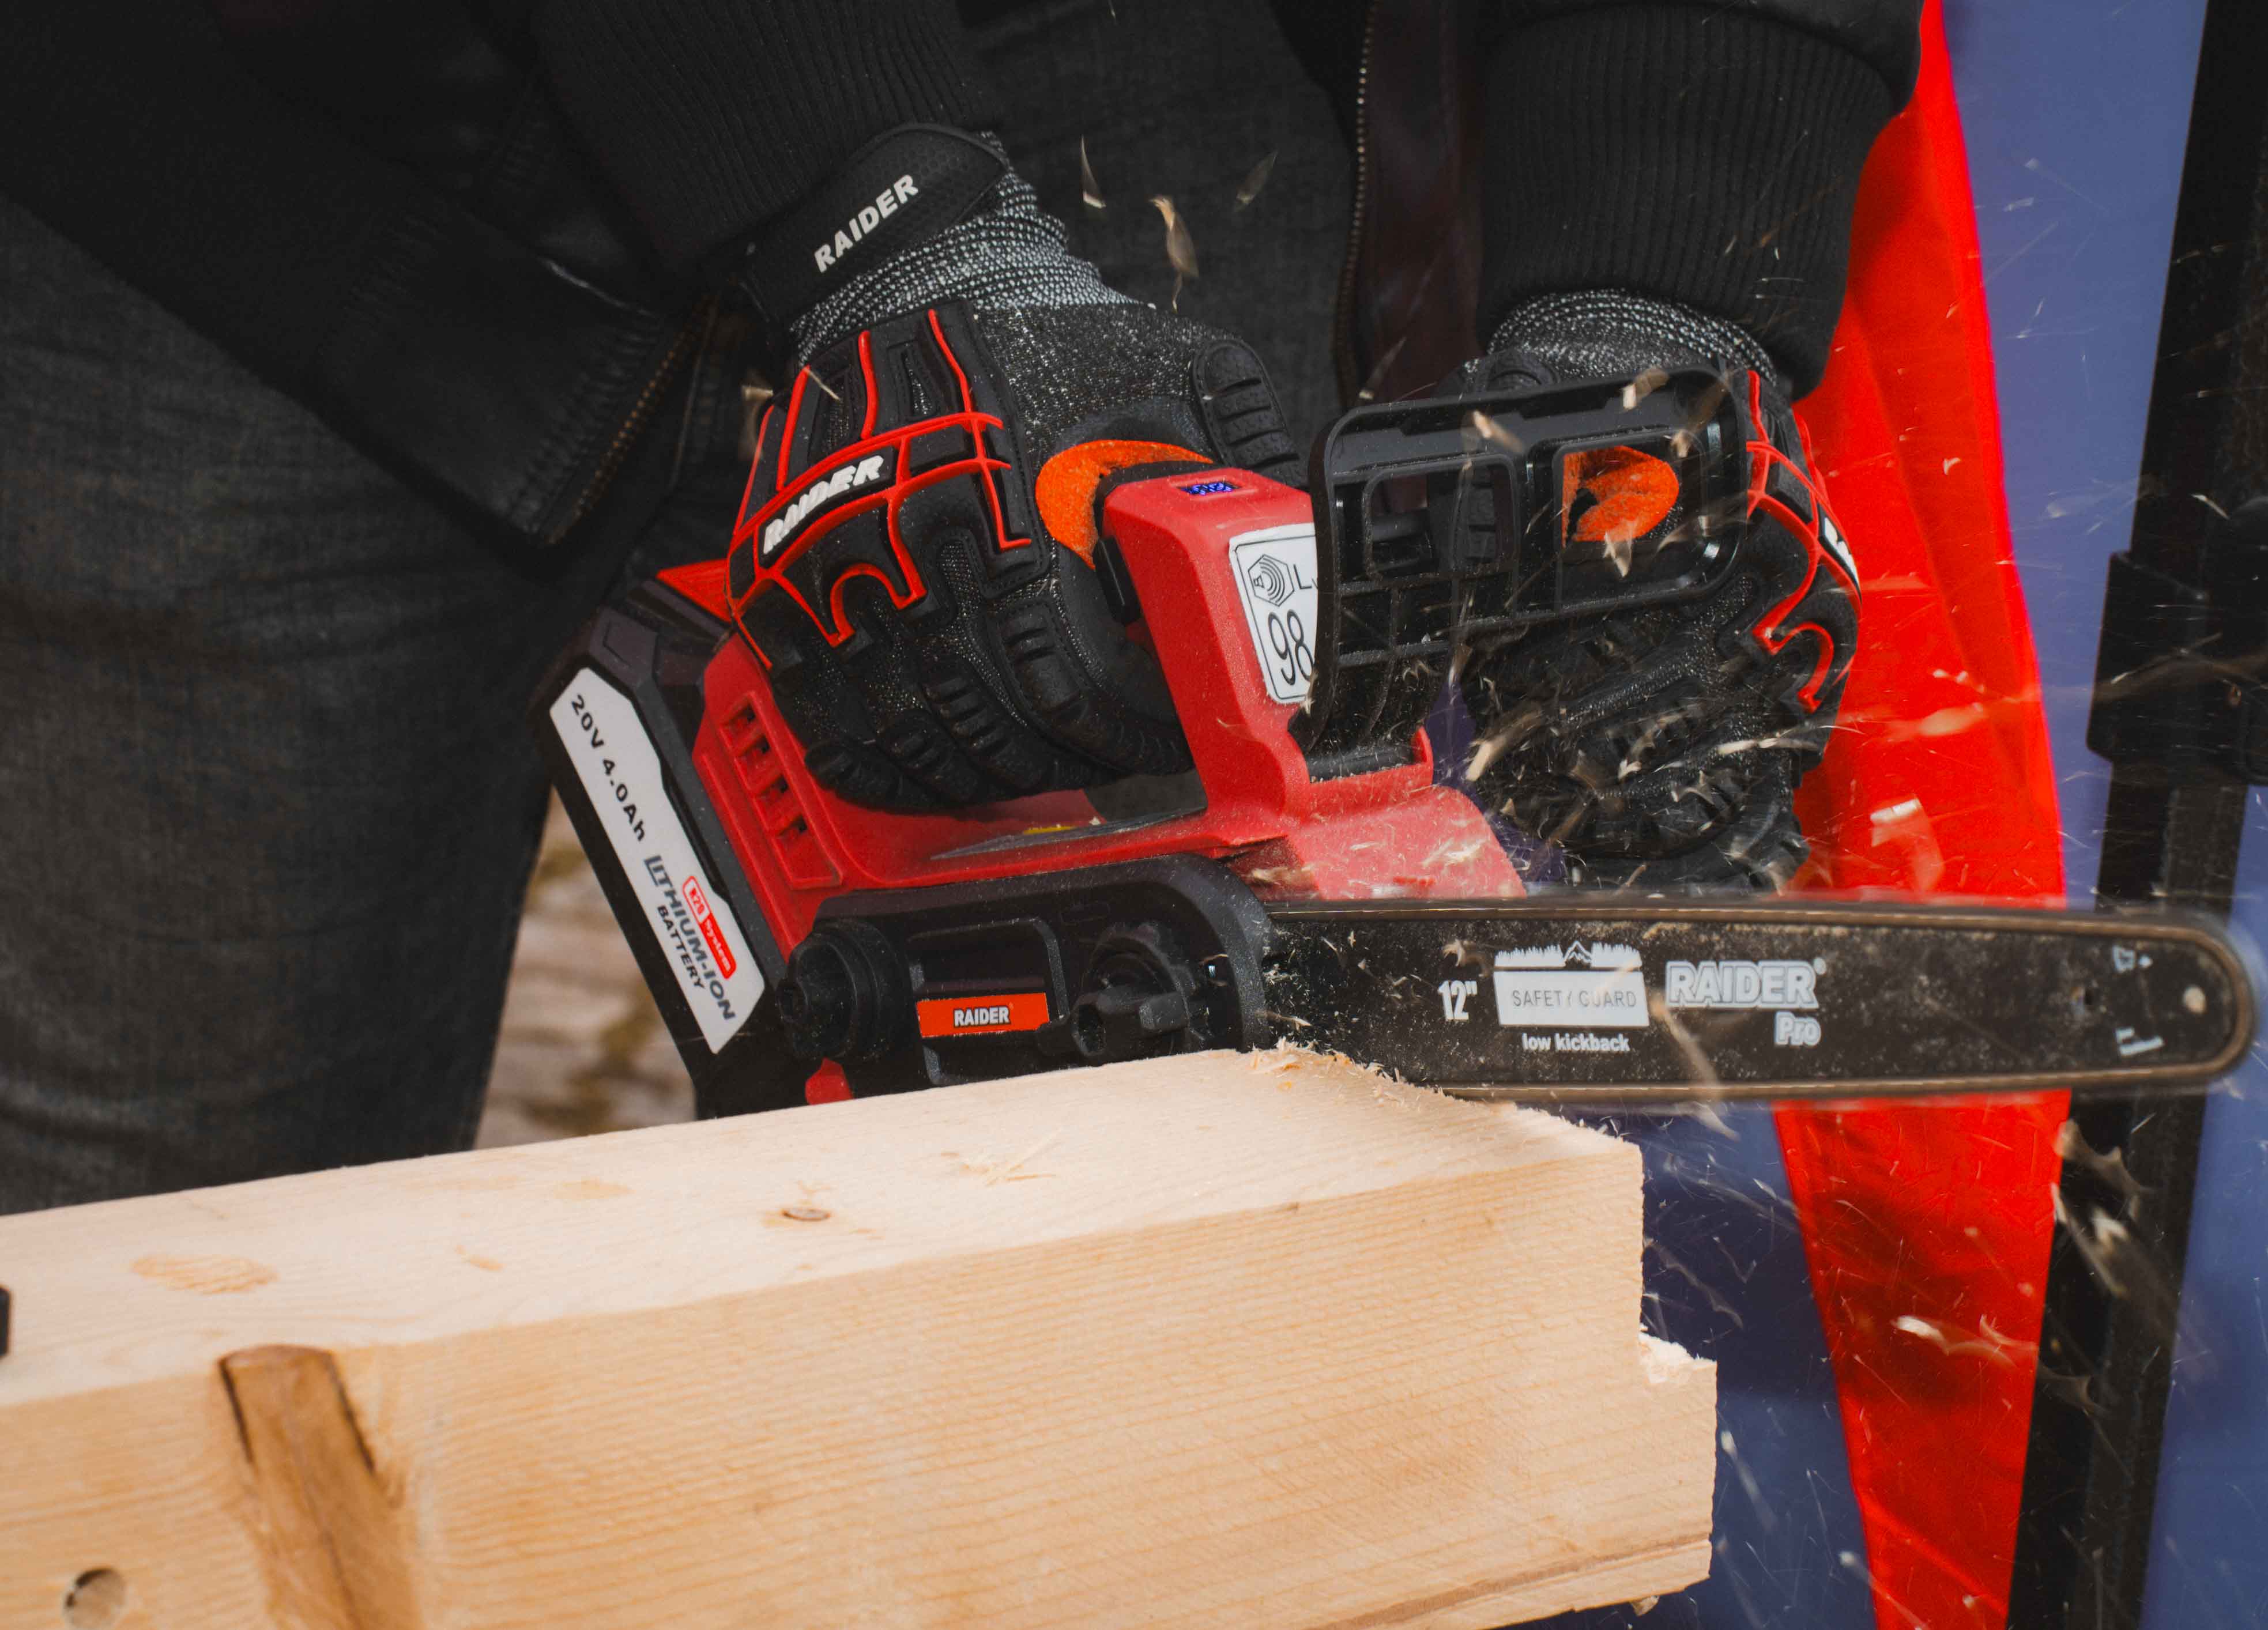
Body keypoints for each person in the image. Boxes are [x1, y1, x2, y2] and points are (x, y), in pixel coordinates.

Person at [0, 0, 1918, 1213]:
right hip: (280, 132)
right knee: (159, 1205)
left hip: (1107, 60)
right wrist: (882, 222)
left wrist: (1661, 290)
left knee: (1192, 1178)